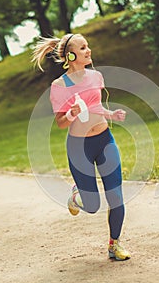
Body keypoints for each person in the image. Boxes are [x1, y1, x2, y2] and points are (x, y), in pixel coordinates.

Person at [32, 33, 130, 261]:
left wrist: (111, 113)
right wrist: (71, 113)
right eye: (83, 48)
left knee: (116, 196)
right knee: (93, 206)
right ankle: (76, 195)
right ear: (71, 55)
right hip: (80, 148)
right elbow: (60, 123)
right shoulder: (59, 86)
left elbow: (95, 107)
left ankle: (114, 245)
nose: (89, 51)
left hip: (105, 140)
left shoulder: (96, 76)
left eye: (88, 46)